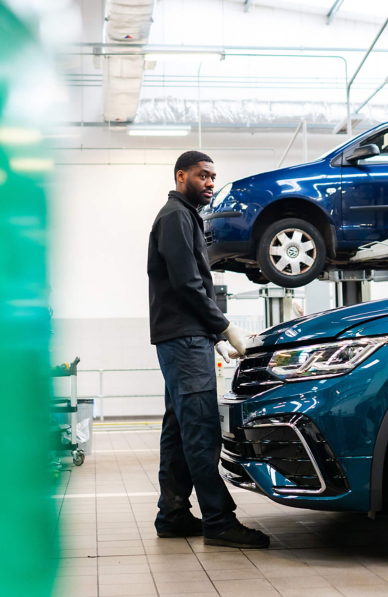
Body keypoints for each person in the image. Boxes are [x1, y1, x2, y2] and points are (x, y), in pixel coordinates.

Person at [147, 150, 270, 549]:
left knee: (179, 430)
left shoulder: (184, 218)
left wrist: (214, 335)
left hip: (183, 337)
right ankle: (219, 520)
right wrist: (224, 327)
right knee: (200, 430)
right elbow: (187, 284)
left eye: (214, 177)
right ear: (181, 176)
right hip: (184, 340)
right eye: (203, 176)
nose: (210, 183)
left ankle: (174, 514)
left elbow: (190, 284)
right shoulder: (175, 217)